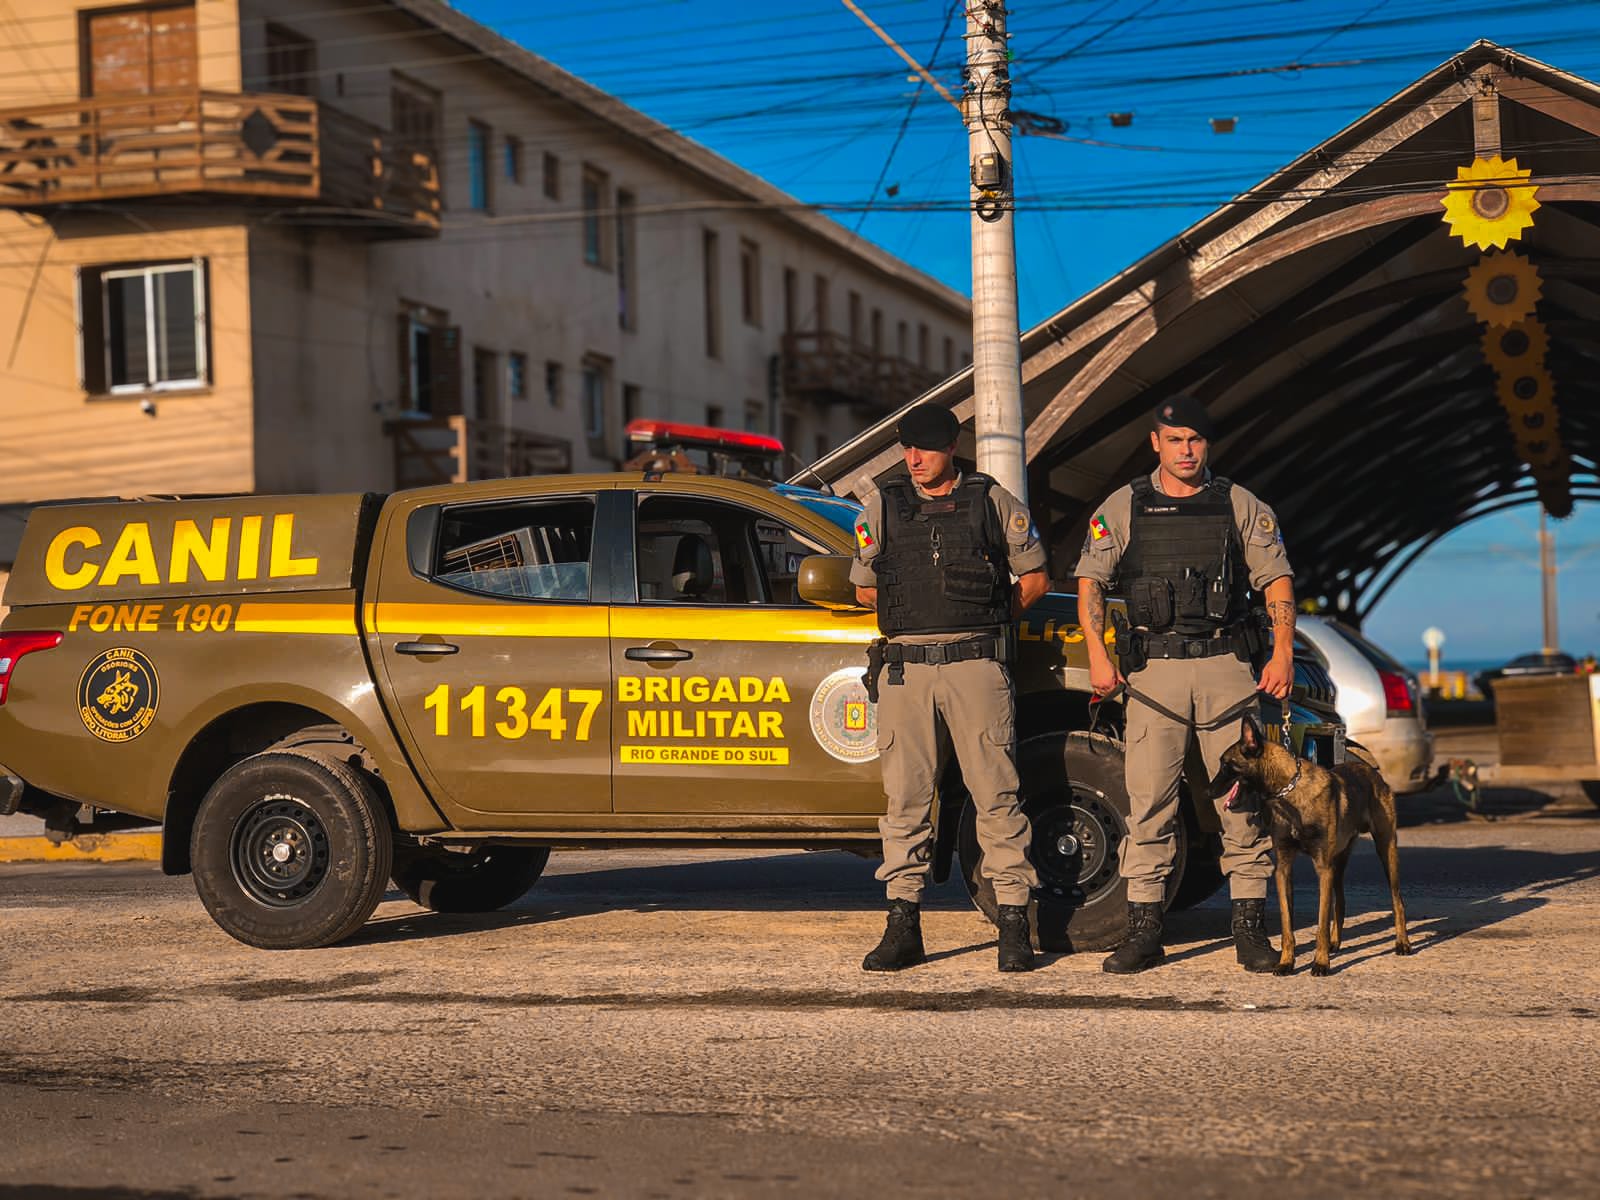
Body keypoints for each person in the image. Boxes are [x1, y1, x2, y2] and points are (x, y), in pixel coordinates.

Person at [1074, 395, 1296, 975]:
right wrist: (1098, 653)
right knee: (1149, 805)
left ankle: (1249, 928)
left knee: (1241, 802)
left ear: (1208, 443)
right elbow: (1091, 581)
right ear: (1156, 443)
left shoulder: (1239, 504)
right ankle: (1144, 930)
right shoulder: (1125, 504)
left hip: (1227, 668)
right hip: (1155, 676)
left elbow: (1275, 579)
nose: (1186, 450)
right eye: (1175, 441)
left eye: (1195, 440)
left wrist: (1283, 650)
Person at [851, 403, 1051, 973]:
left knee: (997, 796)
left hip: (975, 667)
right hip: (906, 671)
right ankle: (903, 924)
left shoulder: (991, 501)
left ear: (951, 448)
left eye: (925, 449)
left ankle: (1014, 924)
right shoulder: (883, 506)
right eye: (907, 448)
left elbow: (1035, 578)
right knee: (906, 803)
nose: (913, 459)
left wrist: (989, 614)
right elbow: (864, 588)